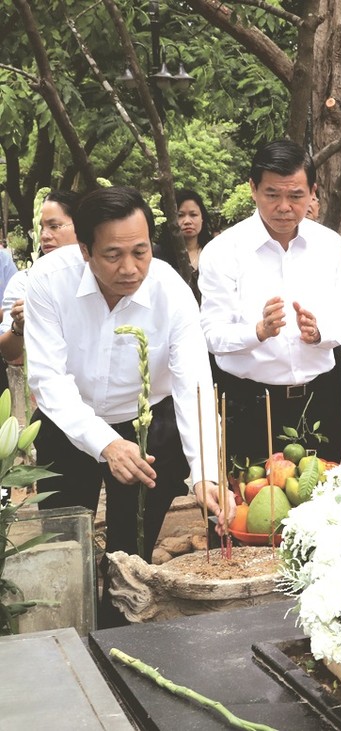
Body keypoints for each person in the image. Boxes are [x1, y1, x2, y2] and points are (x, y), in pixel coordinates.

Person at [24, 186, 230, 626]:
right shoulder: (48, 281)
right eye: (113, 255)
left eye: (141, 251)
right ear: (84, 250)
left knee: (130, 553)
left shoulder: (171, 292)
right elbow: (49, 379)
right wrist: (106, 443)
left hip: (146, 425)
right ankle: (70, 636)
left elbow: (193, 382)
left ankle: (118, 642)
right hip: (67, 423)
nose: (130, 268)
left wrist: (206, 473)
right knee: (64, 547)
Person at [199, 140, 341, 466]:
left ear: (313, 191)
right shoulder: (224, 251)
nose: (284, 206)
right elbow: (212, 335)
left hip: (319, 400)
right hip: (250, 405)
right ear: (253, 189)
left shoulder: (329, 246)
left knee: (326, 505)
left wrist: (321, 333)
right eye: (272, 194)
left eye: (296, 195)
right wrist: (257, 331)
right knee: (249, 508)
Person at [0, 190, 80, 366]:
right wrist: (19, 327)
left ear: (82, 226)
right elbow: (10, 354)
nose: (44, 235)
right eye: (40, 228)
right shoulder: (25, 281)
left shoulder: (104, 279)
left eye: (54, 226)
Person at [154, 189, 212, 302]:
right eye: (180, 215)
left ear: (202, 218)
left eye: (193, 215)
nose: (187, 221)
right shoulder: (157, 255)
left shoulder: (215, 251)